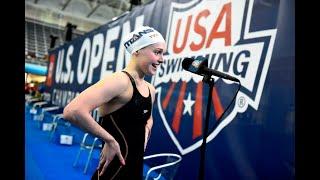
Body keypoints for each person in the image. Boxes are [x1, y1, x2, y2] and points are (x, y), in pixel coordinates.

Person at [63, 25, 166, 179]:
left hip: (135, 168)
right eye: (157, 52)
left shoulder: (151, 89)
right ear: (137, 50)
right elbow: (73, 111)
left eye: (162, 54)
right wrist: (110, 140)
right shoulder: (120, 81)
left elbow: (148, 117)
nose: (162, 59)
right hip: (113, 171)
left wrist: (146, 132)